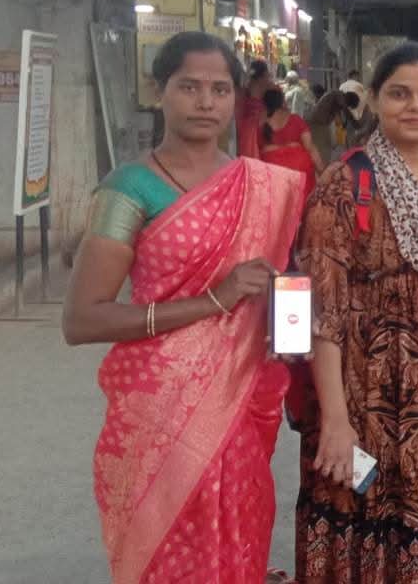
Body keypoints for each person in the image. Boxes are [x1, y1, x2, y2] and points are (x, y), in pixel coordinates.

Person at [62, 32, 306, 584]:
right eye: (189, 87)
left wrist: (288, 315)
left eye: (220, 89)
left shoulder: (258, 186)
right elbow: (81, 320)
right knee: (165, 555)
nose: (205, 102)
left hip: (238, 401)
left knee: (235, 541)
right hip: (156, 409)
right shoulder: (130, 188)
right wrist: (212, 301)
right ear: (159, 91)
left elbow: (278, 288)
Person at [296, 44, 418, 584]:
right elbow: (323, 312)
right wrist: (335, 419)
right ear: (374, 100)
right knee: (359, 512)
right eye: (399, 94)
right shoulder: (344, 183)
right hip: (364, 390)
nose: (415, 106)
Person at [261, 87, 324, 202]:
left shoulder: (260, 124)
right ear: (282, 101)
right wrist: (322, 172)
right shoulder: (295, 120)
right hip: (299, 171)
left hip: (274, 175)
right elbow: (310, 147)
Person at [236, 59, 274, 160]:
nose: (269, 80)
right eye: (268, 76)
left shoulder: (241, 97)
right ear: (263, 76)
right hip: (252, 157)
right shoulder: (257, 108)